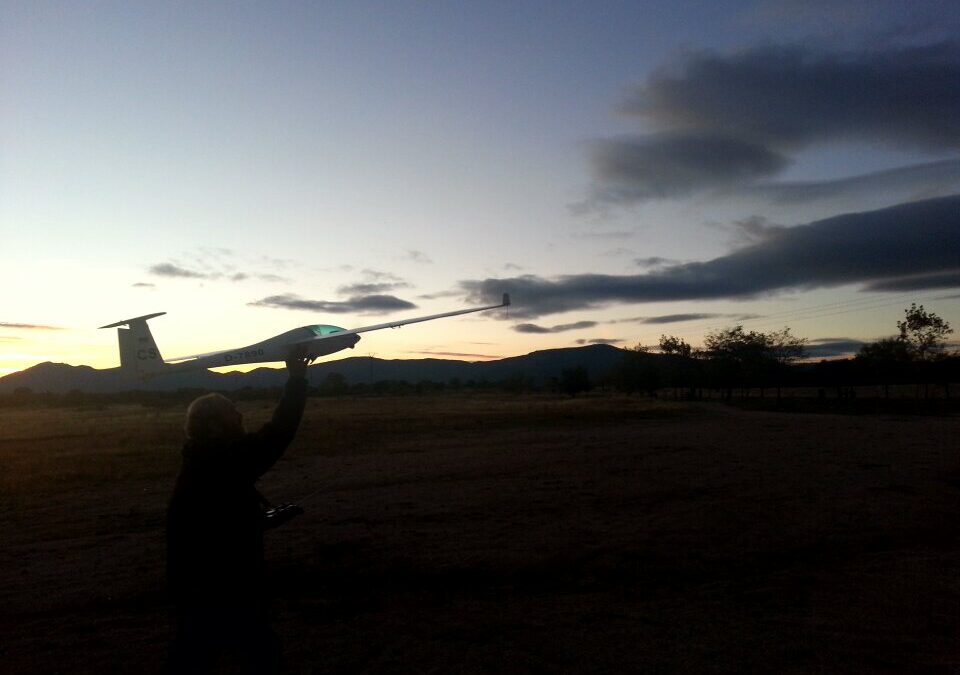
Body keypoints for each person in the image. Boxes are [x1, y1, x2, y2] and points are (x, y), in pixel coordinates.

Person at [166, 353, 309, 674]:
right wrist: (297, 379)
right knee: (253, 650)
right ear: (215, 425)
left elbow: (219, 521)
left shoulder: (201, 461)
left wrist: (263, 520)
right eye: (234, 413)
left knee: (196, 652)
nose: (241, 416)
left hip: (197, 582)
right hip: (219, 583)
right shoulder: (224, 459)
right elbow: (278, 432)